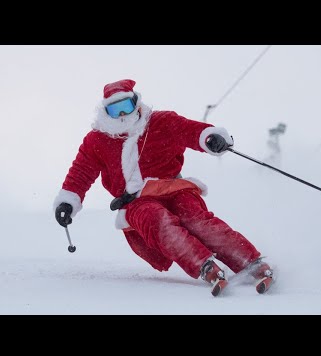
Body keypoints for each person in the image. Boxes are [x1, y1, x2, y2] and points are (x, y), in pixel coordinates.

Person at [53, 79, 273, 296]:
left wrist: (210, 138)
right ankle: (203, 265)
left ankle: (250, 261)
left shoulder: (161, 122)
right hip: (136, 201)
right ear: (105, 111)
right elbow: (81, 173)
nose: (121, 115)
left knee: (195, 219)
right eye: (114, 109)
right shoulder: (97, 140)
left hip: (173, 188)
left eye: (125, 106)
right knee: (158, 221)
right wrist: (68, 202)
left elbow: (191, 131)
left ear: (136, 104)